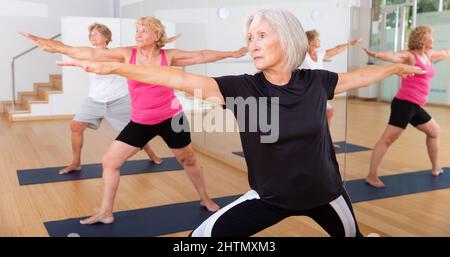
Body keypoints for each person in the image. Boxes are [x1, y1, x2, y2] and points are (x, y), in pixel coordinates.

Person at [55, 9, 423, 237]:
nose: (253, 44)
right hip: (268, 198)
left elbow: (358, 77)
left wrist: (392, 68)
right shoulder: (241, 88)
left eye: (262, 35)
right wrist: (117, 66)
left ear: (288, 39)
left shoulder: (317, 82)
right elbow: (180, 80)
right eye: (249, 38)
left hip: (326, 194)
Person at [21, 16, 248, 223]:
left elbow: (201, 55)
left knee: (188, 160)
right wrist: (54, 46)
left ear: (156, 36)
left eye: (143, 31)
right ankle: (105, 212)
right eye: (137, 30)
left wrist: (231, 53)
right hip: (141, 121)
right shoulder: (126, 54)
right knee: (110, 162)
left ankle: (204, 198)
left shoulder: (168, 56)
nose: (137, 34)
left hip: (172, 117)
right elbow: (89, 54)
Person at [58, 23, 161, 175]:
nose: (92, 37)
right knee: (75, 126)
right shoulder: (89, 54)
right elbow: (70, 51)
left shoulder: (117, 54)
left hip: (119, 100)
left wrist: (155, 41)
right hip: (94, 100)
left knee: (136, 131)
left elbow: (135, 48)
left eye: (96, 34)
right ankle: (75, 163)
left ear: (106, 37)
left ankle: (152, 154)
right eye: (91, 34)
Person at [364, 25, 450, 188]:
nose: (433, 39)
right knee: (387, 139)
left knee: (434, 131)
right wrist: (376, 54)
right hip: (404, 104)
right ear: (422, 39)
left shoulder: (429, 55)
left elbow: (446, 53)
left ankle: (435, 167)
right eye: (430, 36)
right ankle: (371, 175)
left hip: (415, 105)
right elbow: (393, 56)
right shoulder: (410, 56)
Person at [301, 29, 362, 148]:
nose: (319, 41)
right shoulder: (301, 55)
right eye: (317, 39)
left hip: (318, 91)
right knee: (314, 116)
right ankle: (311, 141)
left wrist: (350, 44)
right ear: (310, 41)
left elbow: (336, 49)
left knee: (329, 111)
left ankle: (325, 141)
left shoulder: (319, 54)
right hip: (306, 92)